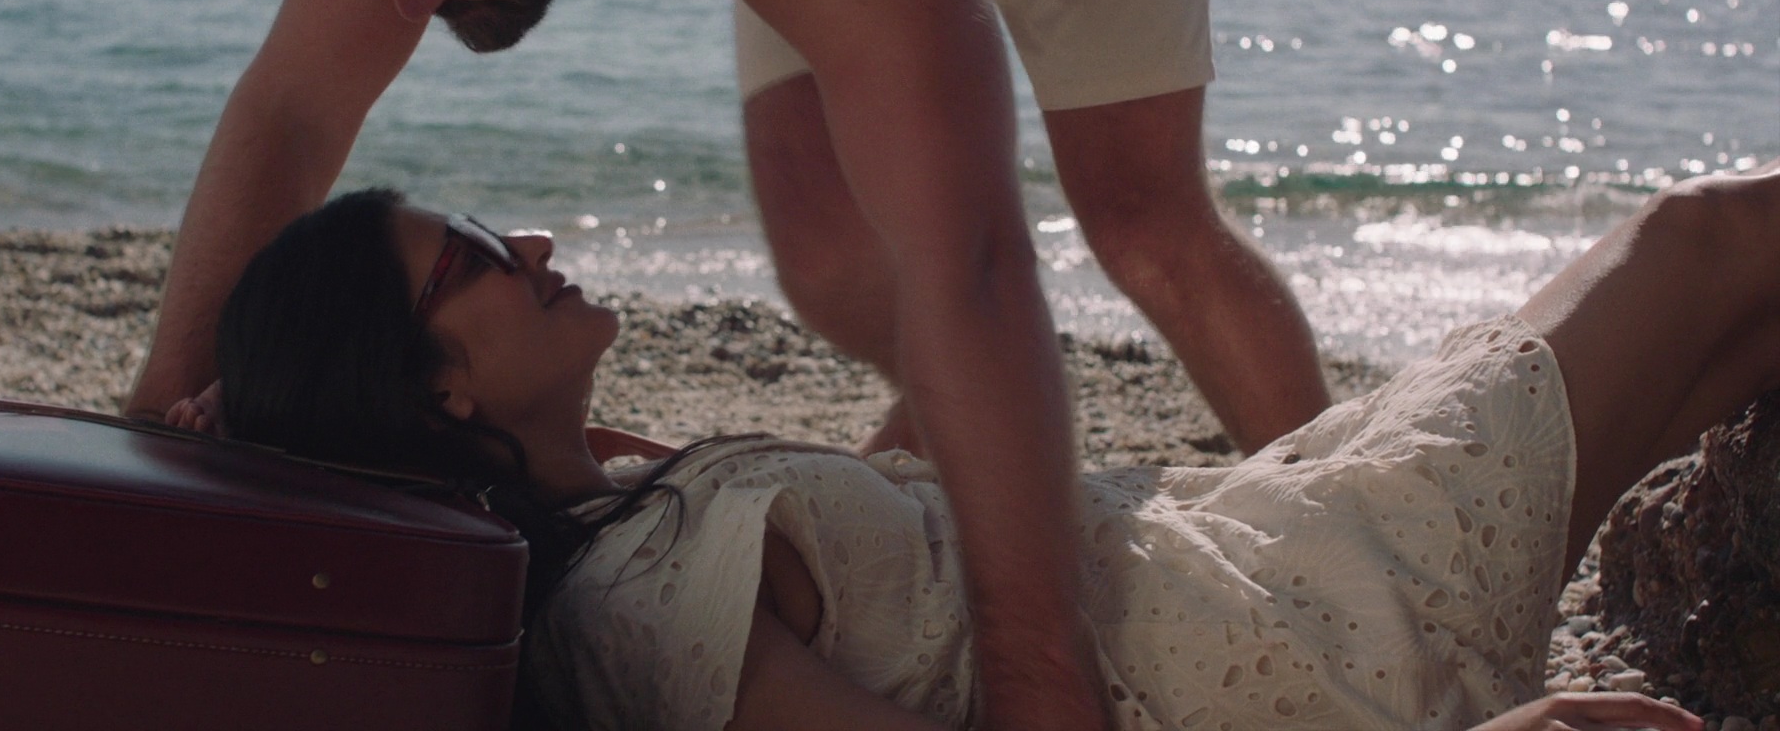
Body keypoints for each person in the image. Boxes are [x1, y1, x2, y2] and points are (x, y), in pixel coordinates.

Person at [131, 0, 1327, 720]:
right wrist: (163, 433)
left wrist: (1040, 689)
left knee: (1139, 223)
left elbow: (971, 259)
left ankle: (1332, 493)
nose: (407, 9)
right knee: (829, 259)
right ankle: (918, 506)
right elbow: (295, 111)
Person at [185, 164, 1777, 731]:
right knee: (1702, 247)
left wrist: (254, 432)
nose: (526, 239)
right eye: (472, 256)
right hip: (1312, 634)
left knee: (1719, 303)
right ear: (437, 395)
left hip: (1249, 534)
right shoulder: (645, 620)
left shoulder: (610, 506)